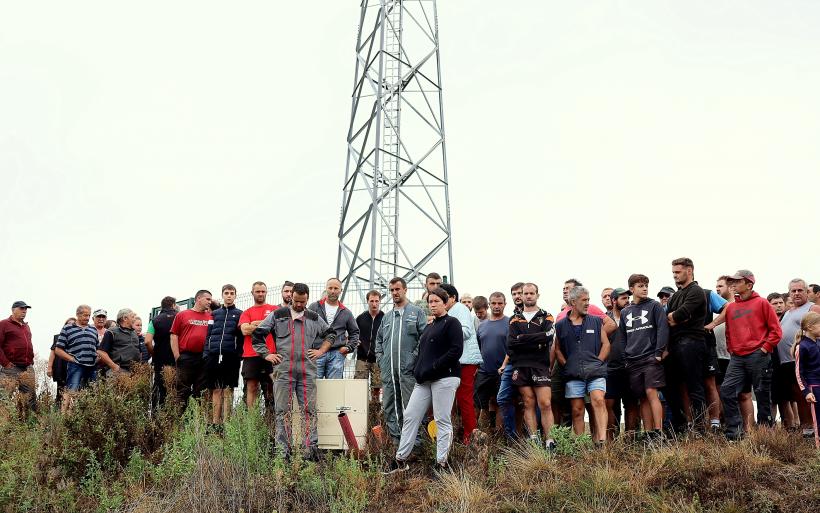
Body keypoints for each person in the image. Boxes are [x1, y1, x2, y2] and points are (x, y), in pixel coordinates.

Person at [252, 282, 336, 460]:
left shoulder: (313, 317)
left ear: (307, 299)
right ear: (292, 298)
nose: (299, 305)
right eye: (296, 301)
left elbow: (331, 334)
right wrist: (267, 355)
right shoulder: (278, 315)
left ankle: (310, 451)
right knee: (282, 411)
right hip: (284, 371)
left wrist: (321, 351)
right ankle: (283, 452)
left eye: (302, 302)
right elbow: (258, 334)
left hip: (307, 371)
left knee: (309, 411)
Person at [385, 287, 463, 474]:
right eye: (430, 301)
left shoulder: (452, 323)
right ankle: (400, 459)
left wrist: (434, 366)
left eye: (437, 301)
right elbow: (422, 352)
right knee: (411, 416)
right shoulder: (430, 326)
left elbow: (455, 351)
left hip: (445, 378)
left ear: (445, 303)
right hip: (424, 380)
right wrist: (418, 369)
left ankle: (441, 463)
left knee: (442, 420)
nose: (433, 304)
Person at [719, 270, 782, 441]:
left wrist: (765, 348)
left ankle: (765, 434)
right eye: (732, 281)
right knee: (726, 390)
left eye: (737, 281)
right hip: (737, 357)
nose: (733, 284)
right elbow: (728, 332)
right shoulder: (731, 307)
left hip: (758, 355)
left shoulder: (762, 303)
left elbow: (776, 331)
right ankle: (735, 433)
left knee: (762, 394)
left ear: (749, 284)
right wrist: (732, 350)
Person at [554, 286, 610, 444]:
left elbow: (606, 344)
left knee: (598, 400)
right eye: (584, 300)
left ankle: (602, 441)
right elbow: (557, 349)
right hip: (573, 374)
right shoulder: (560, 325)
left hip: (596, 371)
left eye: (588, 300)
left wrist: (598, 362)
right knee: (577, 410)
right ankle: (581, 445)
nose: (587, 303)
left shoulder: (596, 321)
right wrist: (567, 365)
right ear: (573, 302)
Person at [375, 277, 427, 443]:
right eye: (392, 290)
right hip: (389, 372)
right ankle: (398, 442)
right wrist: (381, 360)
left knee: (411, 407)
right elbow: (379, 341)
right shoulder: (387, 317)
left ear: (405, 290)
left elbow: (424, 338)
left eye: (397, 289)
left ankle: (415, 444)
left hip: (408, 371)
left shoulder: (416, 312)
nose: (394, 293)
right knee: (391, 407)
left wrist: (414, 358)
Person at [507, 283, 556, 450]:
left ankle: (550, 441)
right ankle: (533, 439)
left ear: (537, 295)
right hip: (521, 366)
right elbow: (511, 343)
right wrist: (535, 339)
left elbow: (548, 336)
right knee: (528, 403)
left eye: (531, 293)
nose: (528, 296)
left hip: (540, 365)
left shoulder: (546, 316)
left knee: (545, 403)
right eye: (525, 293)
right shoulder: (514, 318)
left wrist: (522, 338)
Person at [620, 275, 669, 441]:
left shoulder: (654, 306)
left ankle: (658, 431)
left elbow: (662, 329)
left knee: (651, 392)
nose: (645, 288)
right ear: (632, 289)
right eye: (640, 286)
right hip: (632, 360)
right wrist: (625, 358)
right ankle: (648, 434)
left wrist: (658, 353)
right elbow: (622, 337)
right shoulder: (626, 311)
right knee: (642, 396)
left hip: (650, 357)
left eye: (646, 285)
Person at [665, 257, 708, 433]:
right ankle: (680, 425)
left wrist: (677, 317)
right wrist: (676, 317)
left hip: (692, 342)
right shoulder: (675, 296)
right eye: (673, 272)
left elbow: (678, 316)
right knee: (670, 385)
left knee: (694, 386)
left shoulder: (696, 291)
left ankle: (700, 428)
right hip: (675, 344)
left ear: (689, 271)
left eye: (678, 272)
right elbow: (669, 318)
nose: (674, 275)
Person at [773, 279, 820, 435]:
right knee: (797, 397)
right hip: (786, 362)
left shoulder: (813, 308)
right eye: (793, 291)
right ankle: (806, 429)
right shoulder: (787, 312)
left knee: (806, 395)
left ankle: (812, 429)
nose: (796, 293)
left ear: (807, 292)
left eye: (800, 290)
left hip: (806, 360)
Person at [441, 283, 481, 444]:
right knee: (456, 399)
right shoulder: (452, 311)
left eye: (444, 297)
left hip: (465, 360)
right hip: (457, 360)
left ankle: (470, 435)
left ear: (452, 298)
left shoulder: (460, 309)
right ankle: (462, 433)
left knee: (464, 398)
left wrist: (444, 332)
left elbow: (466, 331)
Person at [204, 285, 243, 427]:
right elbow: (208, 334)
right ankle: (215, 423)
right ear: (222, 295)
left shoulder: (240, 313)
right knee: (216, 389)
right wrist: (206, 353)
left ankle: (227, 423)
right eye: (226, 293)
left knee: (228, 389)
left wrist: (238, 354)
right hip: (213, 355)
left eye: (232, 293)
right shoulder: (214, 314)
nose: (229, 296)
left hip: (230, 356)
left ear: (235, 296)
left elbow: (241, 338)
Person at [309, 278, 360, 379]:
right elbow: (305, 328)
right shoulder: (314, 307)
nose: (333, 291)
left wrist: (347, 348)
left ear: (341, 290)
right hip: (316, 353)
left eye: (336, 288)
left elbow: (355, 333)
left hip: (336, 355)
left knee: (334, 389)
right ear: (326, 289)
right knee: (314, 388)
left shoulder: (346, 312)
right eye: (330, 288)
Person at [605, 288, 639, 438]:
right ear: (613, 301)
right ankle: (611, 440)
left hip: (630, 367)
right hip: (610, 368)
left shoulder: (634, 318)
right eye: (623, 298)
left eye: (628, 298)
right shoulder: (604, 319)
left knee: (631, 404)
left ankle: (630, 440)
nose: (627, 301)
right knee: (609, 404)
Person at [171, 290, 213, 408]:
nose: (210, 302)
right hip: (186, 357)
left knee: (201, 392)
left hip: (204, 358)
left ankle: (196, 422)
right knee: (182, 391)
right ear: (198, 299)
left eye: (211, 300)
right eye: (207, 299)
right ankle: (179, 421)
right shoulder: (182, 315)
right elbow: (174, 335)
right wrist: (177, 355)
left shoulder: (211, 316)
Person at [239, 282, 278, 410]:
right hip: (251, 354)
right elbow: (245, 330)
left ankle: (271, 419)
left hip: (270, 354)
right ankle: (251, 422)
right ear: (252, 293)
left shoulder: (274, 309)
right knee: (251, 387)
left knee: (271, 387)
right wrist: (266, 324)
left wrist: (254, 323)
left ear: (266, 292)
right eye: (258, 291)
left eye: (263, 291)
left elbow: (277, 326)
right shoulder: (246, 312)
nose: (260, 294)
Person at [54, 305, 100, 410]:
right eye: (85, 315)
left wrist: (98, 356)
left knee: (93, 391)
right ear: (78, 315)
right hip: (76, 366)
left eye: (89, 315)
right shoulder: (68, 328)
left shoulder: (93, 329)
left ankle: (89, 415)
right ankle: (64, 417)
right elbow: (58, 349)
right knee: (71, 390)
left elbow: (97, 347)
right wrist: (72, 359)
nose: (87, 318)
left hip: (92, 366)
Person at [475, 292, 508, 432]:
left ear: (505, 304)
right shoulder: (482, 325)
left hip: (502, 371)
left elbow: (513, 348)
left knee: (500, 403)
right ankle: (484, 435)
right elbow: (477, 348)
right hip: (483, 371)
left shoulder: (510, 322)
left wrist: (505, 366)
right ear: (489, 305)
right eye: (493, 303)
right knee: (481, 404)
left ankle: (499, 436)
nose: (496, 306)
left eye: (500, 303)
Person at [496, 282, 525, 440]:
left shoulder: (535, 314)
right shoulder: (513, 317)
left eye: (520, 293)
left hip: (529, 364)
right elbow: (511, 344)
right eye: (514, 294)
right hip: (512, 363)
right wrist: (504, 364)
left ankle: (532, 437)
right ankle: (512, 437)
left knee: (528, 400)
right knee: (503, 398)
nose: (517, 296)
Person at [0, 301, 36, 413]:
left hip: (27, 368)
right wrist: (5, 363)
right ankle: (3, 424)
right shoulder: (3, 324)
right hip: (11, 368)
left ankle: (31, 424)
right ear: (13, 310)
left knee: (30, 399)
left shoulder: (26, 326)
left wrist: (32, 361)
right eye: (21, 309)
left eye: (26, 309)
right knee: (5, 398)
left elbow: (28, 345)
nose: (24, 311)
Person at [145, 296, 178, 410]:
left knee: (158, 386)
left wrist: (154, 354)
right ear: (174, 305)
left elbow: (147, 341)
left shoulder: (155, 320)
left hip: (160, 359)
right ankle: (172, 414)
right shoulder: (179, 317)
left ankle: (155, 414)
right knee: (175, 387)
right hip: (176, 358)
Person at [794, 312, 820, 448]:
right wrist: (806, 392)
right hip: (813, 388)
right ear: (810, 327)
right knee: (818, 420)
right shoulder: (802, 346)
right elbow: (799, 372)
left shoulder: (818, 342)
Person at [355, 290, 384, 402]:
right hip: (362, 358)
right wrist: (355, 341)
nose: (374, 304)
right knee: (359, 386)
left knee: (376, 387)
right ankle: (360, 408)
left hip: (378, 359)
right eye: (371, 301)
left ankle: (375, 411)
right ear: (367, 301)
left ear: (380, 302)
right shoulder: (360, 318)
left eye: (377, 301)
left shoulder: (385, 318)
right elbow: (353, 333)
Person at [98, 308, 142, 376]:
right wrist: (114, 367)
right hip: (117, 372)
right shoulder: (111, 332)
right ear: (125, 318)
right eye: (132, 317)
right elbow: (101, 352)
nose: (134, 319)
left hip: (134, 372)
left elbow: (138, 351)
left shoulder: (134, 333)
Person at [48, 317, 76, 406]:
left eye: (73, 323)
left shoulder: (79, 337)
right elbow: (53, 352)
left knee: (74, 391)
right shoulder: (58, 337)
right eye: (69, 323)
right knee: (60, 390)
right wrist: (49, 367)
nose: (71, 325)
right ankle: (58, 413)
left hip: (74, 366)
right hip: (60, 366)